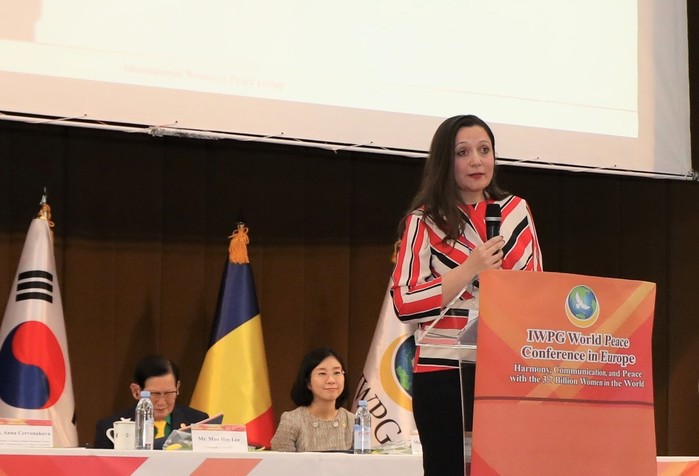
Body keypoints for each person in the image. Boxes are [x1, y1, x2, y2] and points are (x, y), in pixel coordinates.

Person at [391, 114, 543, 475]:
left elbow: (537, 293)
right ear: (446, 160)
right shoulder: (424, 220)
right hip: (442, 372)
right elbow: (405, 302)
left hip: (507, 368)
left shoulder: (516, 212)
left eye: (484, 150)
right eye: (463, 152)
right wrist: (470, 268)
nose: (477, 161)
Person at [94, 355, 209, 449]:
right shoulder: (110, 428)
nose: (161, 401)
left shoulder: (198, 422)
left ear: (177, 387)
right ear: (136, 391)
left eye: (169, 393)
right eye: (154, 394)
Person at [270, 348, 354, 452]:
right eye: (322, 373)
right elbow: (280, 461)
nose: (331, 380)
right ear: (308, 383)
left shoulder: (353, 422)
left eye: (337, 372)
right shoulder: (292, 421)